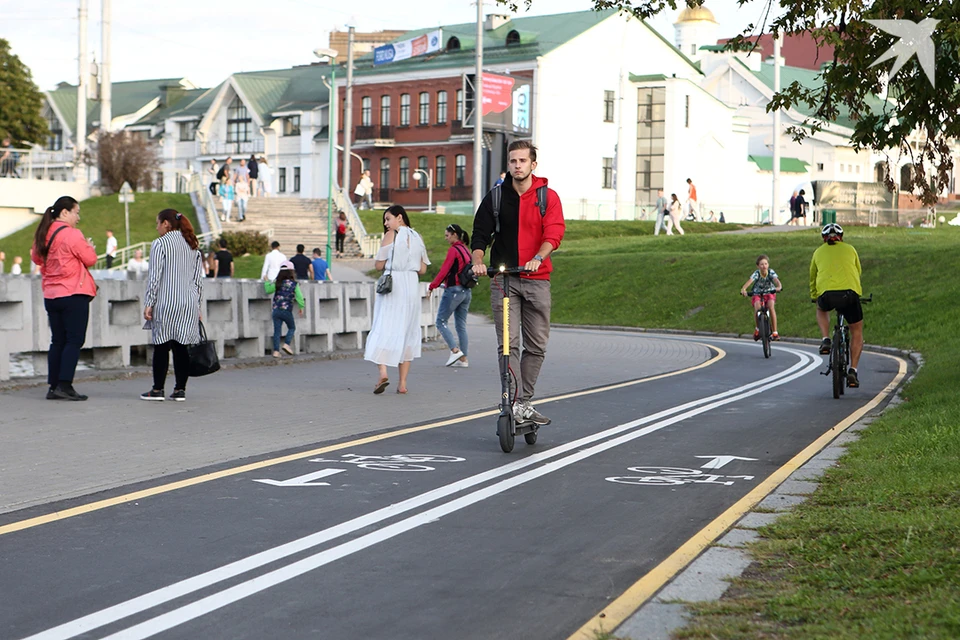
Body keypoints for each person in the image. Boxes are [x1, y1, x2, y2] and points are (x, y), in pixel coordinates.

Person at [470, 140, 565, 426]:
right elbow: (480, 234)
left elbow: (554, 232)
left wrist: (539, 256)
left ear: (533, 164)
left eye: (523, 161)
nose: (517, 166)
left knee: (536, 345)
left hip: (537, 280)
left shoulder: (548, 197)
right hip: (505, 281)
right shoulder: (496, 197)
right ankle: (512, 401)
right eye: (513, 161)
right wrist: (477, 259)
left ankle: (524, 401)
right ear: (508, 164)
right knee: (508, 345)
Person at [30, 195, 97, 401]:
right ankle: (65, 384)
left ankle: (54, 386)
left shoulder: (43, 234)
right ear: (65, 212)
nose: (78, 217)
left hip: (51, 295)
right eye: (76, 212)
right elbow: (90, 259)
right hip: (73, 293)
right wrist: (89, 246)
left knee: (57, 340)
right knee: (74, 340)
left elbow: (36, 258)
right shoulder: (72, 235)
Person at [364, 205, 430, 395]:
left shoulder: (391, 235)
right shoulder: (417, 237)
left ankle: (383, 373)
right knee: (407, 331)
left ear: (399, 218)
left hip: (394, 286)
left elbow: (378, 265)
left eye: (388, 219)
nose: (386, 224)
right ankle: (402, 384)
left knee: (383, 327)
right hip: (411, 285)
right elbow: (423, 269)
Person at [141, 209, 204, 402]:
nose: (156, 227)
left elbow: (155, 277)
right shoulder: (192, 245)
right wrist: (198, 306)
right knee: (181, 347)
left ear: (166, 224)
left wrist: (149, 302)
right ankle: (180, 390)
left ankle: (158, 389)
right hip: (188, 303)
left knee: (161, 346)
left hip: (167, 301)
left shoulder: (160, 244)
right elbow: (198, 280)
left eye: (158, 223)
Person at [811, 223, 864, 388]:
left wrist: (815, 296)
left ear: (824, 239)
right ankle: (853, 371)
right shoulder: (850, 249)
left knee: (821, 309)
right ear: (841, 237)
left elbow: (813, 277)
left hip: (826, 294)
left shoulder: (818, 252)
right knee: (856, 331)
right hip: (849, 293)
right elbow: (858, 271)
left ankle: (826, 339)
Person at [428, 223, 472, 368]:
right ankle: (463, 359)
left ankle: (455, 351)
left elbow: (444, 270)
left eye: (447, 235)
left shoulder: (454, 250)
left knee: (440, 321)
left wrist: (432, 286)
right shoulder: (466, 249)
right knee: (461, 326)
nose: (445, 238)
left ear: (454, 235)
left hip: (454, 291)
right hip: (466, 291)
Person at [264, 260, 305, 358]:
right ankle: (286, 344)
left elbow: (268, 290)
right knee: (292, 327)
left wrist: (266, 281)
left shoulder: (277, 283)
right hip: (286, 311)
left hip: (276, 310)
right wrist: (301, 307)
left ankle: (276, 351)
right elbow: (299, 297)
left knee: (277, 331)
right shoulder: (294, 284)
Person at [740, 254, 783, 340]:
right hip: (757, 293)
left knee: (771, 306)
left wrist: (778, 287)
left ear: (768, 265)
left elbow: (776, 281)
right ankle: (758, 328)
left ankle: (775, 332)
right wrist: (744, 289)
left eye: (766, 264)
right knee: (757, 308)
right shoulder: (756, 274)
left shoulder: (771, 272)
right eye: (762, 264)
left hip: (769, 292)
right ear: (758, 266)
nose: (764, 266)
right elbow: (750, 281)